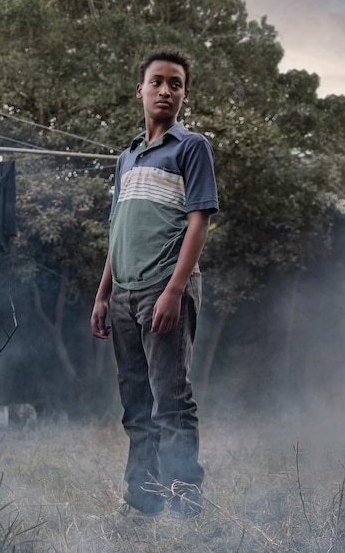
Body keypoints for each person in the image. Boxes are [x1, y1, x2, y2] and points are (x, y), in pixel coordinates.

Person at [90, 48, 219, 523]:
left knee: (172, 402)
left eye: (176, 84)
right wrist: (104, 294)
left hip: (165, 290)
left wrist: (174, 290)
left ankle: (187, 509)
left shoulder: (191, 147)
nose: (166, 90)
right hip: (122, 294)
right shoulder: (126, 157)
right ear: (140, 90)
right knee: (136, 407)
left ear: (184, 94)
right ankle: (143, 504)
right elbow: (117, 231)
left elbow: (199, 222)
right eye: (158, 81)